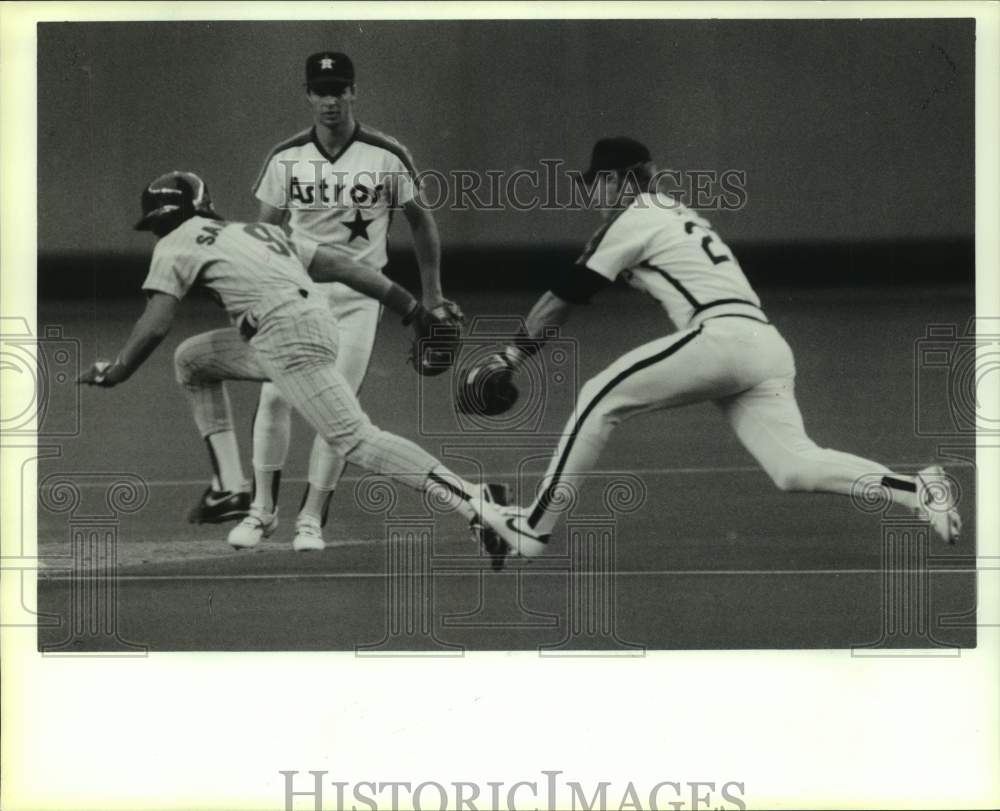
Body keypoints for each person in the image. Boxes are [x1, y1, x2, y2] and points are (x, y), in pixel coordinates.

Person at [466, 137, 962, 562]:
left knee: (600, 396)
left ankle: (533, 528)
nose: (593, 192)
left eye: (597, 181)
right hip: (764, 344)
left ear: (618, 180)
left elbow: (564, 295)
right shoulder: (673, 214)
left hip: (723, 338)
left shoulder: (635, 215)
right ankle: (918, 489)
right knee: (794, 467)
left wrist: (512, 356)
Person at [78, 171, 503, 551]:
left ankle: (473, 498)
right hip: (309, 325)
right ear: (205, 206)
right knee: (191, 360)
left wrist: (116, 370)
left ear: (158, 222)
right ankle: (230, 488)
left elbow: (155, 323)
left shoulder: (173, 243)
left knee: (354, 439)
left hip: (285, 335)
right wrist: (412, 310)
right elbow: (342, 266)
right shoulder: (251, 231)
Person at [179, 51, 453, 552]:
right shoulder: (286, 158)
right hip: (296, 295)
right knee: (275, 396)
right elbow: (264, 233)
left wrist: (432, 294)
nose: (330, 100)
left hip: (359, 297)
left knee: (338, 410)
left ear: (353, 93)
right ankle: (262, 511)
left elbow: (421, 221)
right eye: (321, 91)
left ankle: (311, 518)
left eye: (339, 89)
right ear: (308, 95)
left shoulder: (384, 155)